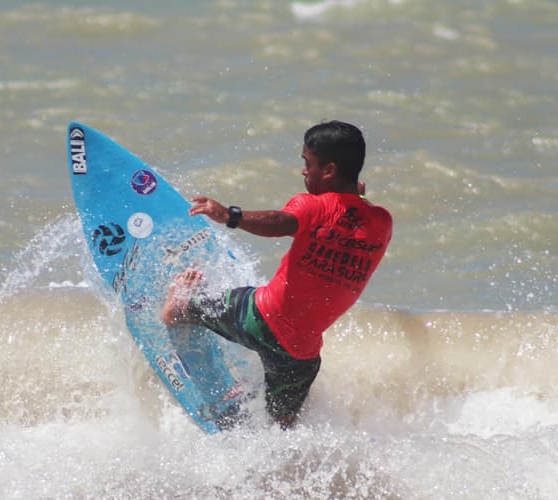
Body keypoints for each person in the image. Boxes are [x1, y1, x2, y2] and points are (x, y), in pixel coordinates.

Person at [161, 120, 393, 429]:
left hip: (261, 319)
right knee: (282, 425)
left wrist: (230, 216)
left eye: (307, 163)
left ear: (329, 171)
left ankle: (180, 309)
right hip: (300, 355)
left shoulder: (313, 207)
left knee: (206, 308)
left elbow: (280, 222)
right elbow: (354, 214)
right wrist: (356, 198)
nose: (303, 171)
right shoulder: (382, 222)